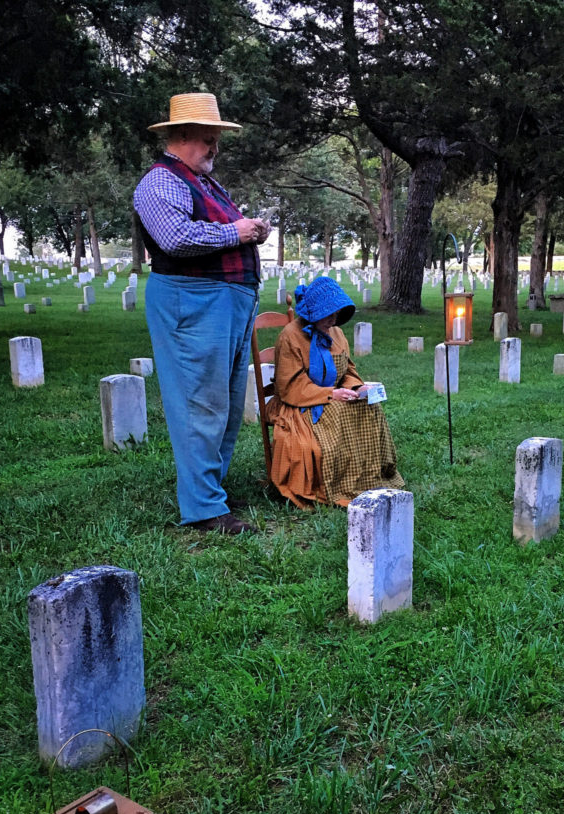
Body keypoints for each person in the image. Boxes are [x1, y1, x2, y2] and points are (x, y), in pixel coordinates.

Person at [133, 92, 269, 535]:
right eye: (208, 139)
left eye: (216, 140)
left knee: (226, 405)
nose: (214, 148)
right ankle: (204, 508)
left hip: (224, 301)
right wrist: (236, 230)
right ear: (183, 135)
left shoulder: (205, 182)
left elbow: (214, 232)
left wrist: (250, 233)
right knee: (199, 405)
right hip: (192, 301)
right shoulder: (160, 181)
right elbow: (174, 238)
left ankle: (212, 491)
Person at [266, 276, 404, 508]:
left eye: (336, 313)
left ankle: (368, 478)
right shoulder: (290, 336)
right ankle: (335, 483)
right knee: (337, 414)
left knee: (370, 407)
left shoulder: (336, 333)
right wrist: (330, 394)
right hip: (299, 402)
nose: (333, 319)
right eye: (328, 313)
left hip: (335, 394)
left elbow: (347, 370)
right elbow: (290, 386)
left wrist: (357, 388)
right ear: (313, 312)